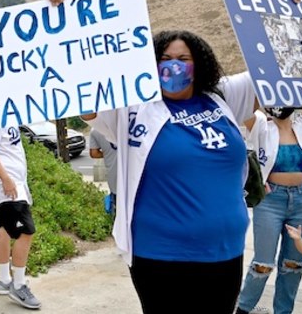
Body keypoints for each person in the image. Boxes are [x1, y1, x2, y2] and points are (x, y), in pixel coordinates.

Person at [81, 30, 257, 313]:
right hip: (161, 255)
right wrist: (61, 13)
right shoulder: (130, 110)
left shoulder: (222, 98)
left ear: (199, 64)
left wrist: (288, 13)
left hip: (226, 251)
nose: (173, 65)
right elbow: (81, 95)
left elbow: (273, 72)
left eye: (183, 58)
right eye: (165, 58)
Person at [236, 105, 302, 314]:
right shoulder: (261, 124)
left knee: (293, 264)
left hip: (301, 200)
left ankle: (283, 311)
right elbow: (243, 106)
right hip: (270, 201)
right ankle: (243, 309)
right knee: (263, 263)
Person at [0, 126, 41, 310]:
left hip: (11, 183)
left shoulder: (7, 112)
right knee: (26, 231)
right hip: (4, 186)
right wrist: (5, 178)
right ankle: (18, 285)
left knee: (4, 231)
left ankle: (5, 280)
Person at [89, 128, 118, 214]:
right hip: (137, 177)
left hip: (114, 180)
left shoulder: (95, 129)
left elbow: (94, 153)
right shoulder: (131, 123)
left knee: (119, 214)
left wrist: (108, 153)